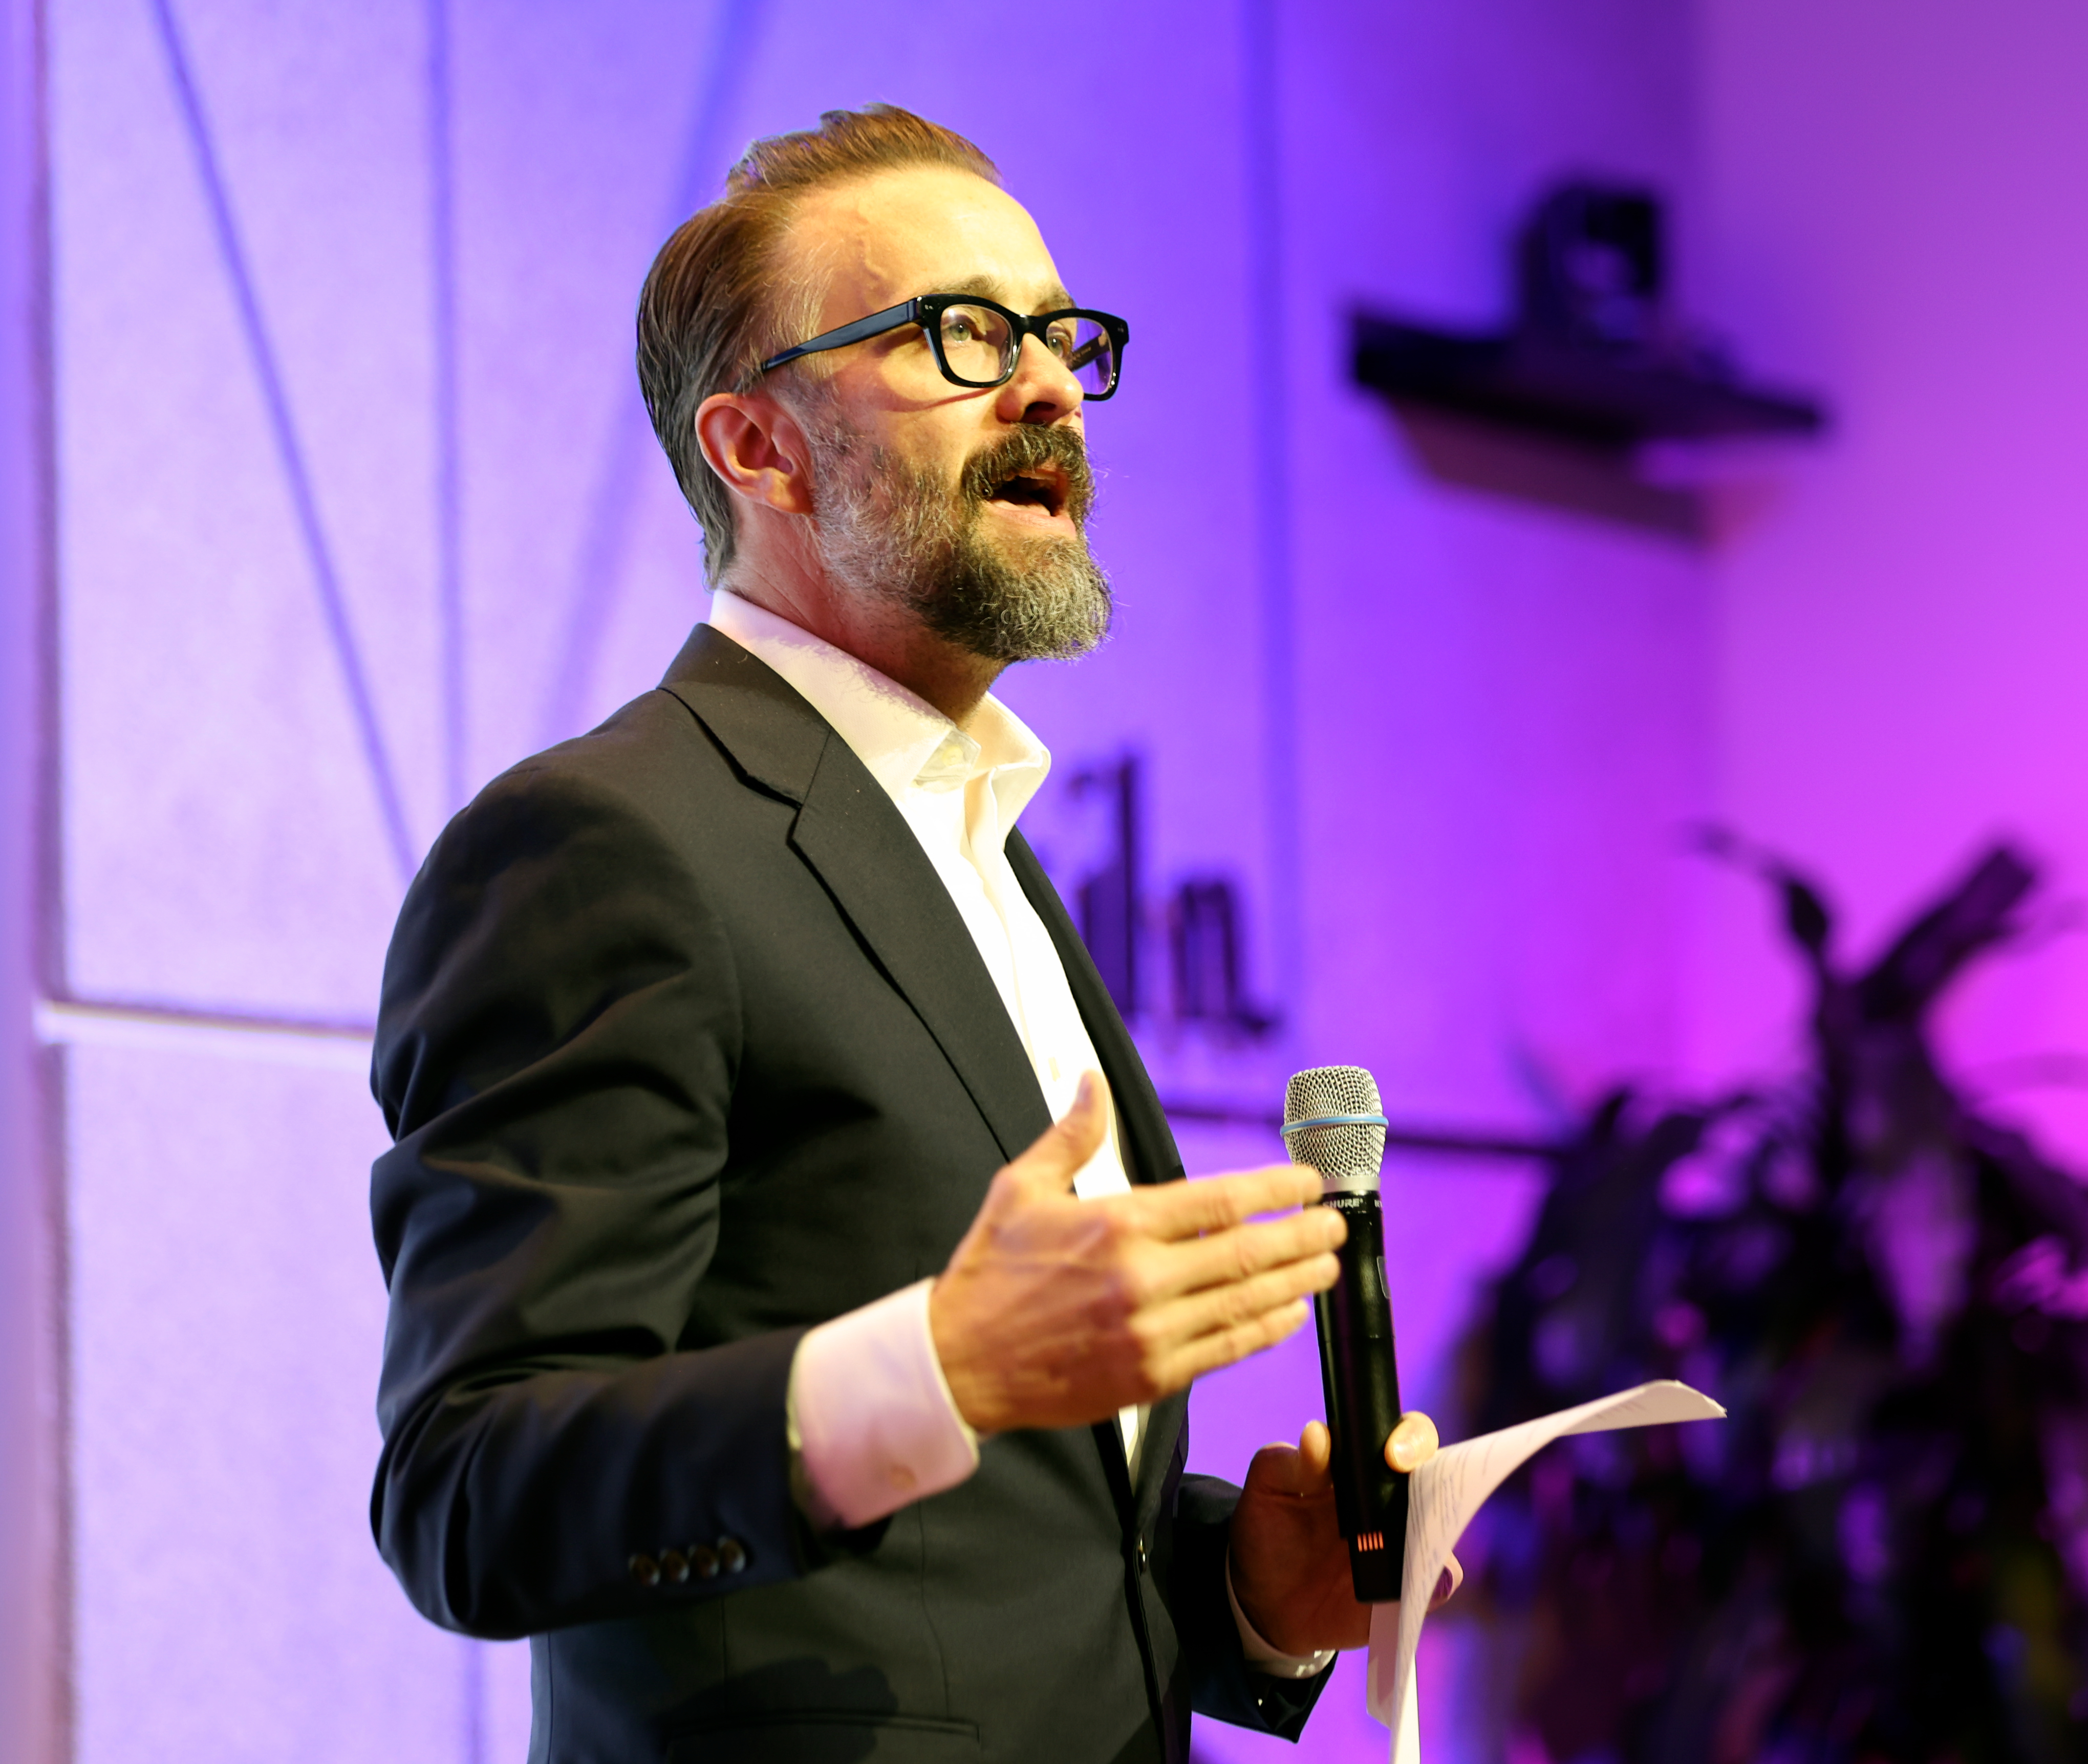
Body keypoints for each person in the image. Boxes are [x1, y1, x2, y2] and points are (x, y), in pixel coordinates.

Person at [370, 103, 1440, 1764]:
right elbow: (465, 1493)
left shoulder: (974, 849)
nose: (1049, 387)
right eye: (963, 334)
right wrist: (934, 1364)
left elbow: (1012, 1536)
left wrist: (1240, 1591)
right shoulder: (607, 845)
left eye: (1061, 336)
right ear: (760, 448)